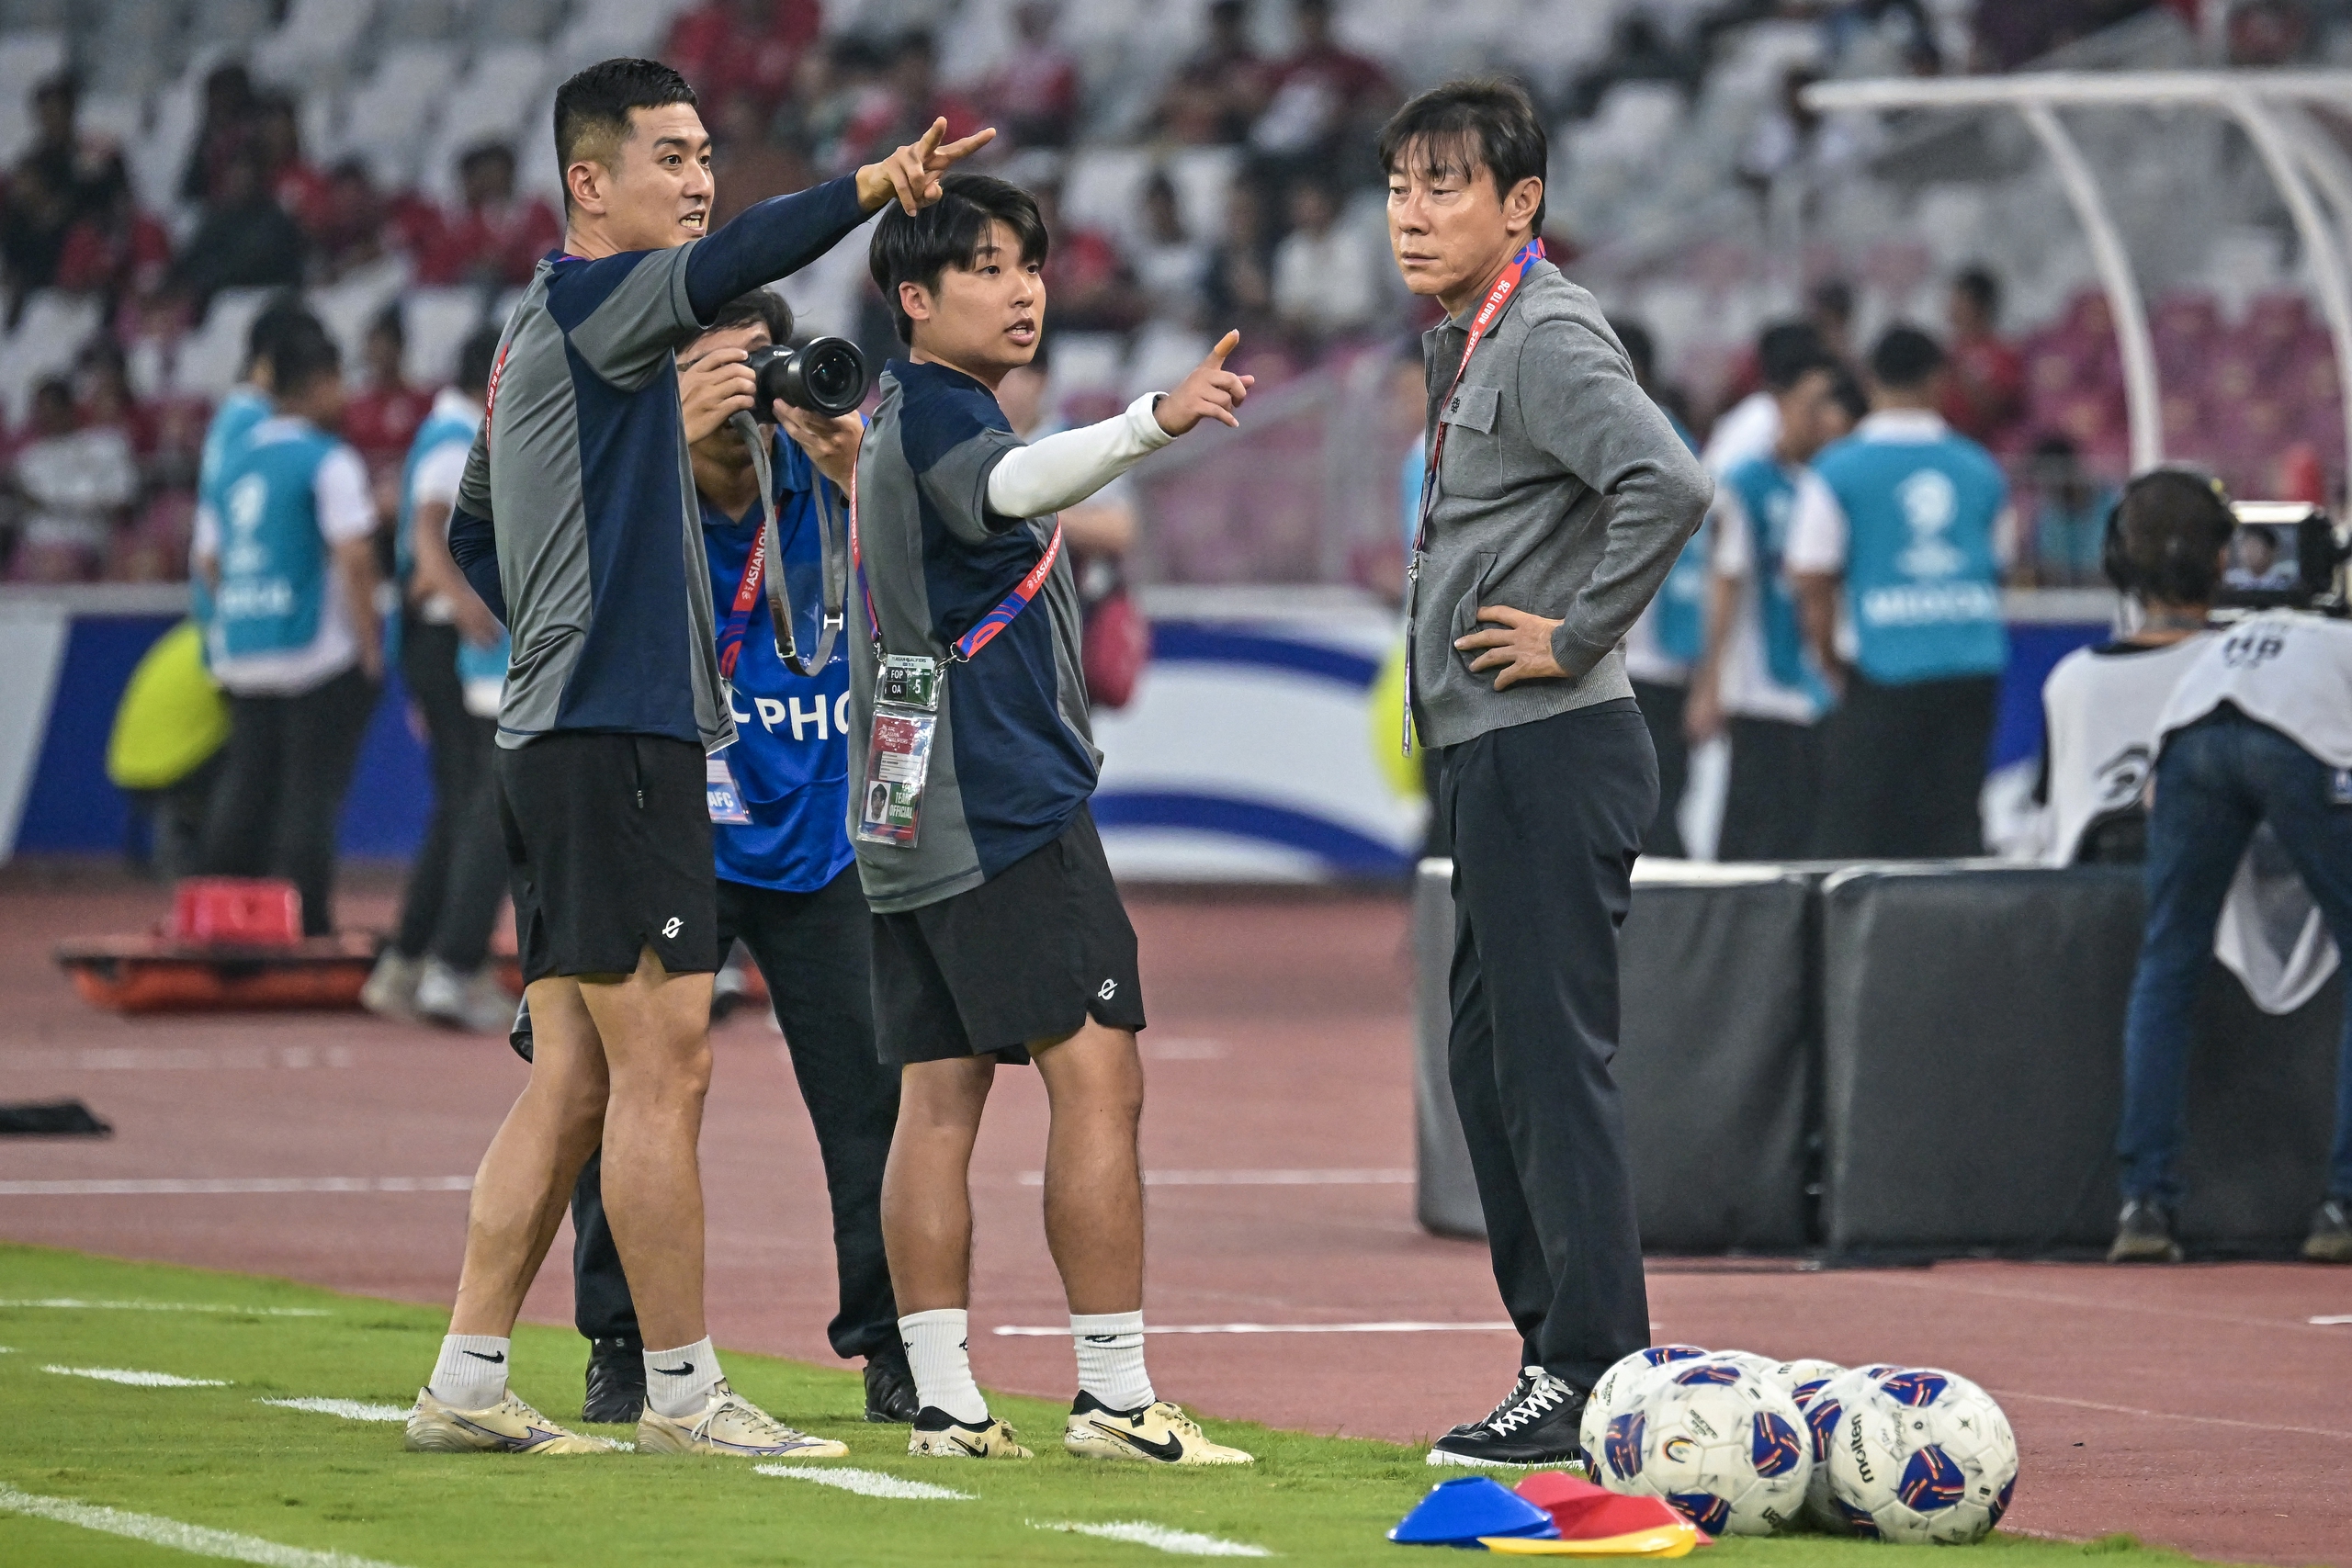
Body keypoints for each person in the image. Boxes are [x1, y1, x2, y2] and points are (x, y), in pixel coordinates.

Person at [415, 57, 991, 1458]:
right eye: (666, 157)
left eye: (701, 155)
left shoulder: (530, 330)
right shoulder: (600, 301)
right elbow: (737, 258)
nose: (695, 179)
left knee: (574, 1078)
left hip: (568, 729)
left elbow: (479, 529)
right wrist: (869, 186)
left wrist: (561, 626)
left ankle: (468, 1378)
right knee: (665, 1070)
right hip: (618, 737)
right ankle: (680, 1391)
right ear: (587, 184)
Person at [852, 172, 1254, 1464]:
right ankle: (1116, 1396)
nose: (1021, 285)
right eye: (982, 265)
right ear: (914, 298)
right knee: (1098, 1071)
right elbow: (1019, 483)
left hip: (905, 795)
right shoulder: (941, 422)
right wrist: (1153, 419)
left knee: (938, 1091)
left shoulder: (894, 413)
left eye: (1027, 261)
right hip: (999, 797)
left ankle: (946, 1400)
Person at [1384, 80, 1712, 1466]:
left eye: (1444, 184)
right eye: (1399, 184)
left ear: (1520, 204)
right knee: (1491, 1060)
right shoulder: (1473, 336)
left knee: (1547, 1066)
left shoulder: (1549, 329)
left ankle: (1590, 1367)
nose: (1410, 210)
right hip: (1495, 749)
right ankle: (1557, 1356)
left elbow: (1671, 481)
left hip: (1550, 741)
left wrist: (1580, 631)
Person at [562, 288, 916, 1427]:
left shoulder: (836, 478)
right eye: (708, 365)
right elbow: (549, 594)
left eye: (759, 363)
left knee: (872, 1103)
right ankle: (626, 1343)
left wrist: (871, 479)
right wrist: (649, 447)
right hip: (673, 835)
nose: (740, 389)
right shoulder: (620, 491)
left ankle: (893, 1350)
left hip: (824, 837)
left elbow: (957, 584)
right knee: (629, 1090)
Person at [2110, 603, 2352, 1267]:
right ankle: (2342, 1203)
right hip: (2299, 735)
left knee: (2168, 959)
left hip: (2190, 735)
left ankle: (2143, 1202)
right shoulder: (2340, 641)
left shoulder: (2251, 627)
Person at [1790, 326, 2012, 859]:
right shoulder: (1981, 469)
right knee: (1955, 827)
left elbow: (1811, 577)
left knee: (1861, 835)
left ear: (1869, 380)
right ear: (1940, 381)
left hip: (1881, 671)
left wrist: (1829, 661)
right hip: (1970, 667)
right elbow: (2000, 565)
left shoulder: (1837, 469)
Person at [192, 329, 382, 936]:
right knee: (310, 794)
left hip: (244, 648)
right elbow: (353, 556)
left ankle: (220, 912)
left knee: (245, 785)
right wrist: (371, 645)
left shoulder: (233, 459)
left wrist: (241, 611)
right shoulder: (328, 459)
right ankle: (307, 923)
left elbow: (209, 560)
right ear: (323, 382)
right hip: (314, 653)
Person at [362, 326, 511, 1032]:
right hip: (448, 632)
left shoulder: (442, 429)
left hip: (433, 630)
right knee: (484, 802)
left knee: (461, 803)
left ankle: (412, 959)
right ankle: (452, 961)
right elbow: (427, 530)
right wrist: (464, 599)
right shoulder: (458, 437)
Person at [1686, 354, 1857, 861]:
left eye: (1830, 406)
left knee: (1813, 840)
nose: (1823, 418)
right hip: (1761, 691)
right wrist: (1710, 682)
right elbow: (1726, 581)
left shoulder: (1836, 480)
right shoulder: (1745, 484)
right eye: (1812, 405)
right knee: (1751, 839)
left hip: (1824, 690)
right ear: (1780, 406)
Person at [2038, 471, 2231, 868]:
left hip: (2090, 915)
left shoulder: (2071, 680)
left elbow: (2052, 811)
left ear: (2117, 561)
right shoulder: (2246, 669)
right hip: (2220, 918)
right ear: (2222, 561)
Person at [1615, 321, 1705, 857]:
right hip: (1662, 653)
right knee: (1657, 801)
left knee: (1643, 807)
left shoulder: (1635, 432)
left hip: (1636, 655)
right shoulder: (1675, 435)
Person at [1940, 265, 2024, 449]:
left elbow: (1995, 412)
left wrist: (1961, 373)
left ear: (1980, 306)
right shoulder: (1944, 353)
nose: (1950, 308)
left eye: (1959, 300)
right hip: (1948, 444)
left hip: (1989, 450)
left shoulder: (2003, 355)